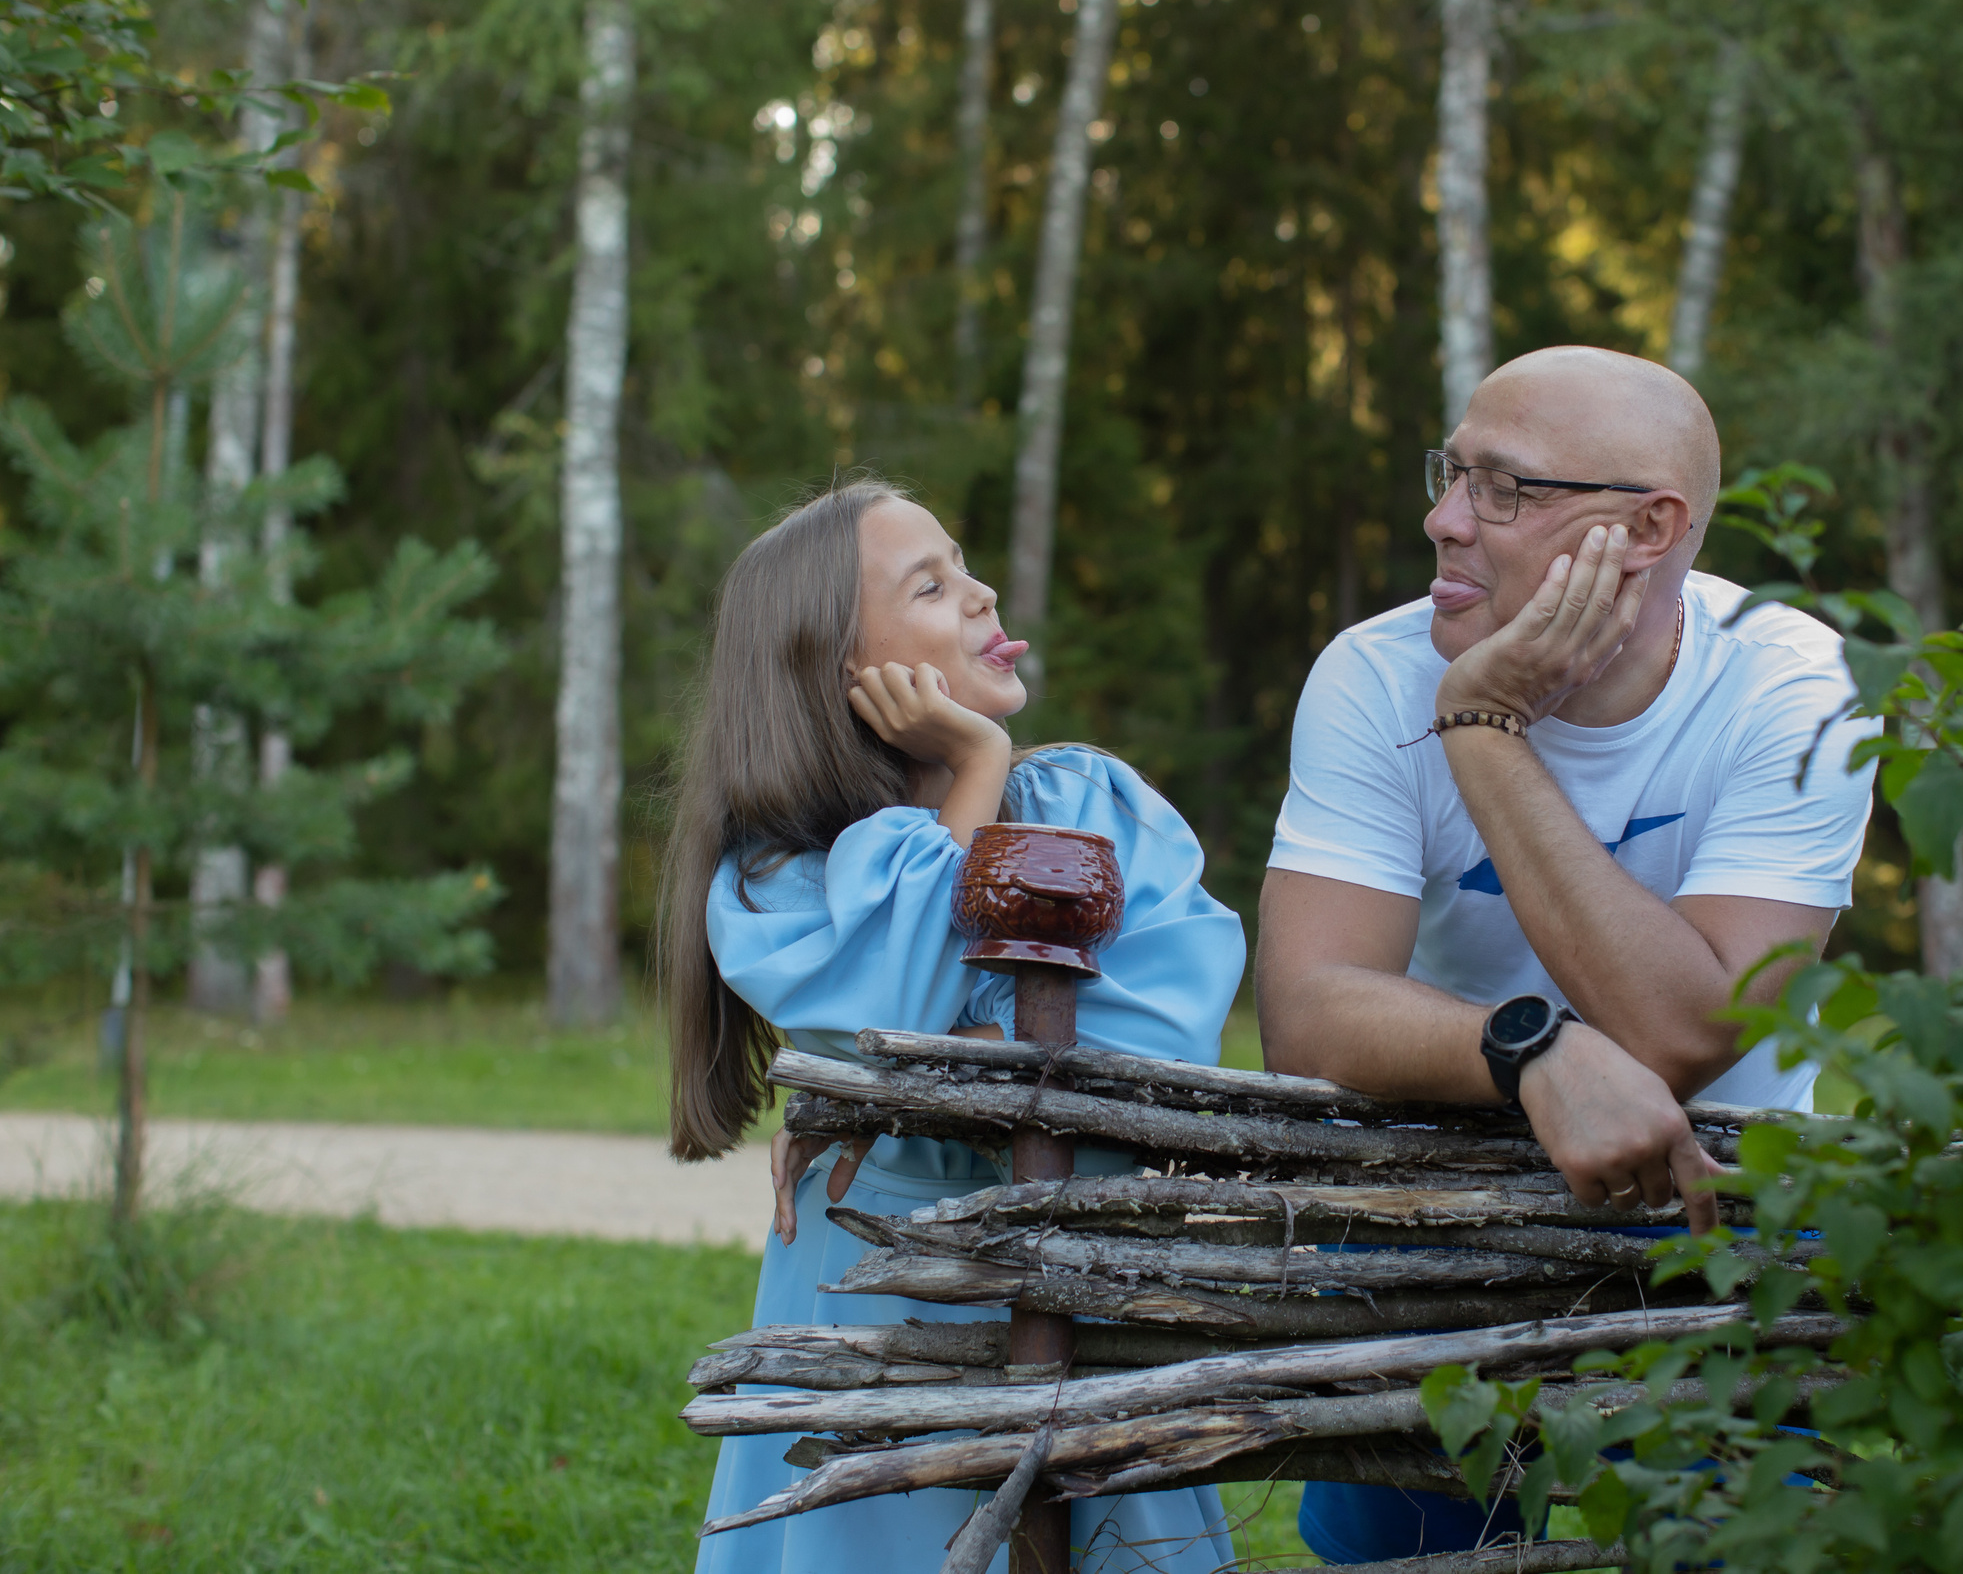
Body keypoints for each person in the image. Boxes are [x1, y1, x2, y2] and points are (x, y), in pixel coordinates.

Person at [1256, 346, 1877, 1564]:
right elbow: (1307, 1012)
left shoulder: (1790, 689)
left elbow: (1689, 1034)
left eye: (1506, 489)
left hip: (1726, 1218)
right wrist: (1528, 1049)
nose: (1443, 522)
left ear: (1648, 528)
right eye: (1451, 474)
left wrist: (1483, 727)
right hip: (1435, 1203)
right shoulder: (1370, 675)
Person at [661, 478, 1246, 1574]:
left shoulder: (1093, 807)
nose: (981, 593)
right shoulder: (782, 876)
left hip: (1080, 1284)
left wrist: (897, 1083)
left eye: (964, 563)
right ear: (837, 666)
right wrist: (974, 768)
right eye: (930, 585)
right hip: (869, 1292)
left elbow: (1160, 1047)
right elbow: (899, 1015)